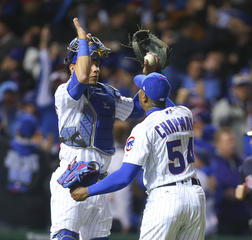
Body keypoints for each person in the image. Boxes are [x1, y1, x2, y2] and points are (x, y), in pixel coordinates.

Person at [50, 18, 165, 240]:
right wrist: (83, 41)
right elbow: (81, 78)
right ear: (72, 66)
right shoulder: (64, 92)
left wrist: (148, 74)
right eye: (90, 62)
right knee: (66, 236)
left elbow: (139, 108)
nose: (95, 68)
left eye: (97, 63)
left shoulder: (107, 92)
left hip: (99, 183)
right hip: (71, 178)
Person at [71, 72, 206, 239]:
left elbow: (124, 177)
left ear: (143, 97)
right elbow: (162, 98)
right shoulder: (184, 113)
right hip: (195, 196)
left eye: (141, 91)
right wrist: (154, 74)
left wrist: (88, 191)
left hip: (166, 198)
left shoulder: (144, 129)